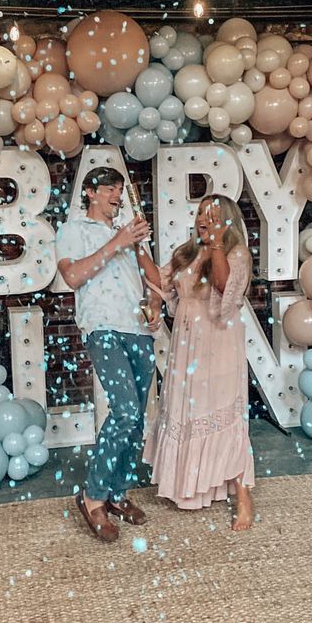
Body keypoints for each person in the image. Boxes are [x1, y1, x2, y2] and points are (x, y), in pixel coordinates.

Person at [56, 167, 161, 543]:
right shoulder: (73, 230)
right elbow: (73, 277)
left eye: (120, 189)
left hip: (139, 333)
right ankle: (93, 495)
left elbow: (154, 282)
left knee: (136, 421)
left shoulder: (130, 234)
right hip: (103, 329)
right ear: (89, 193)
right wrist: (117, 241)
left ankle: (118, 493)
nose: (117, 195)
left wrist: (153, 303)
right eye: (109, 189)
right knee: (126, 412)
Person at [144, 194, 255, 530]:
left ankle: (244, 497)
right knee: (189, 412)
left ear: (228, 220)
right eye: (200, 213)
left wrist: (218, 245)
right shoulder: (187, 252)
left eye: (212, 214)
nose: (203, 219)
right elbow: (159, 282)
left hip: (219, 344)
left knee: (224, 415)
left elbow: (225, 289)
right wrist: (137, 247)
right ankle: (189, 486)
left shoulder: (236, 253)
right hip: (186, 346)